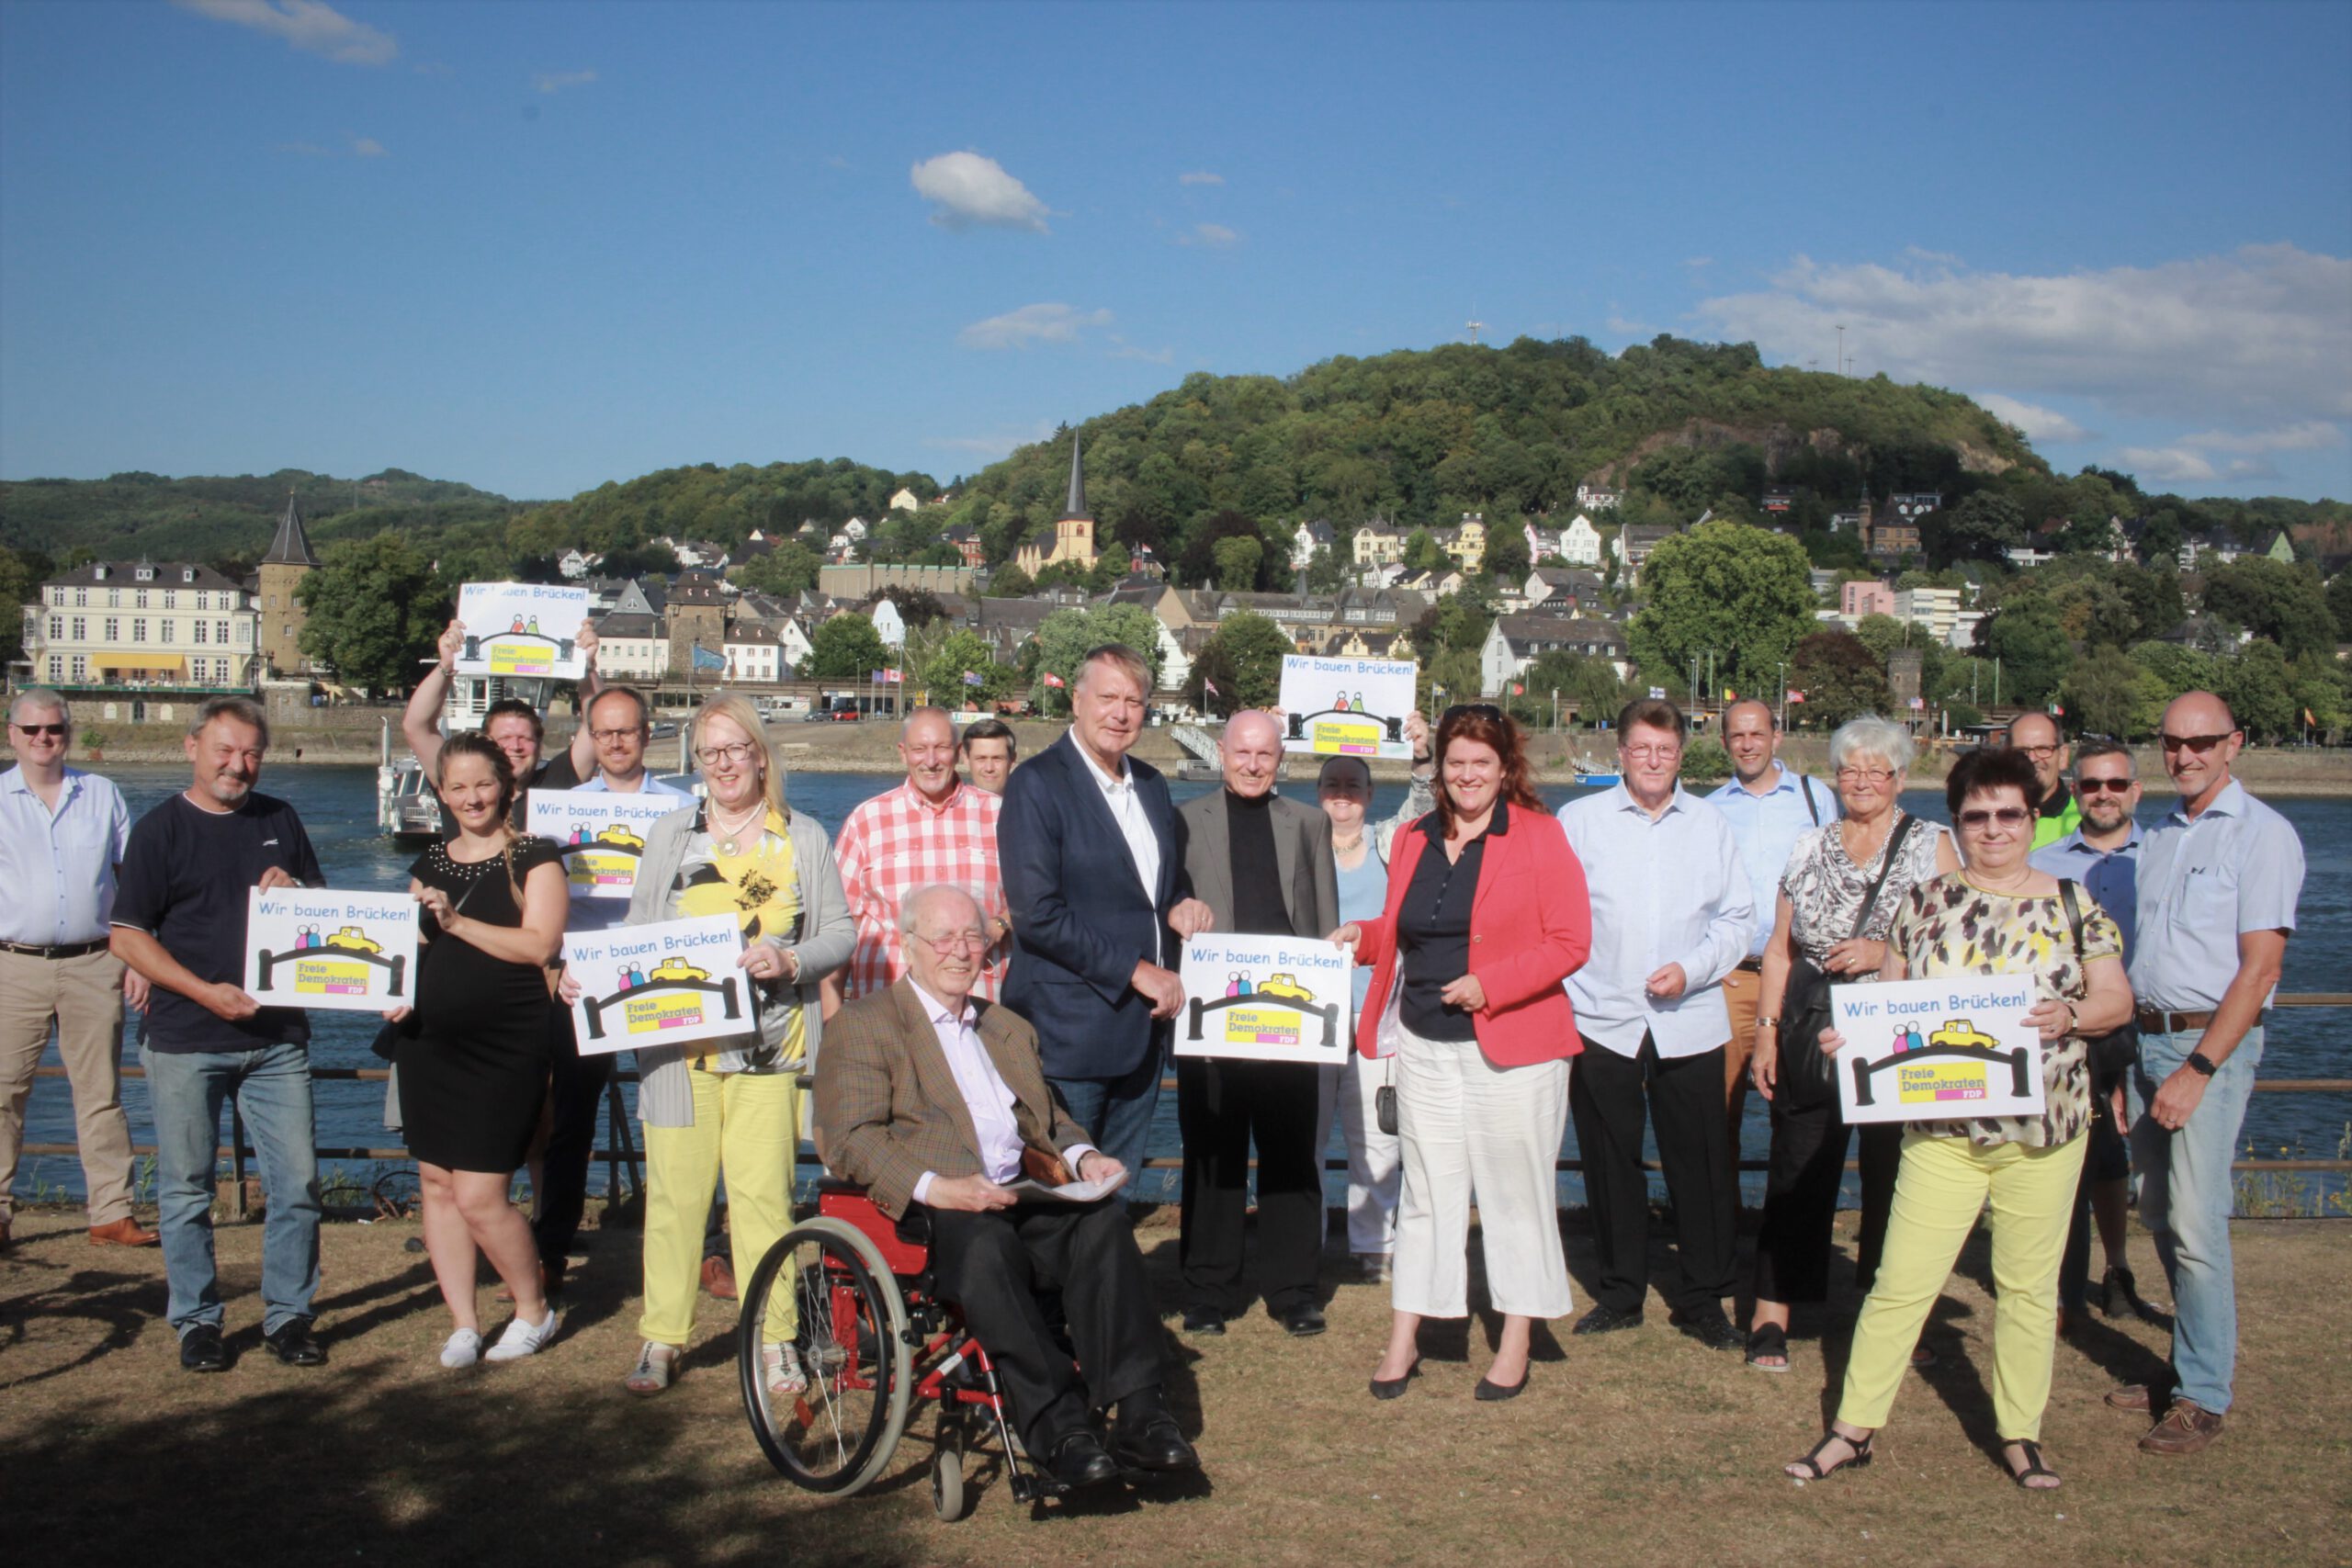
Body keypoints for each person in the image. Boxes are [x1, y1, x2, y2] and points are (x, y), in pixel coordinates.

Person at [1785, 747, 2132, 1491]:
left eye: (2009, 813)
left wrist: (2070, 1013)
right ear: (1959, 823)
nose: (1994, 828)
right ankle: (1853, 1427)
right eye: (1977, 815)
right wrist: (1855, 1037)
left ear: (2034, 819)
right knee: (1899, 1283)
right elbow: (1890, 1000)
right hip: (1943, 1135)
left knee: (2028, 1289)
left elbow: (2117, 1000)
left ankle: (2021, 1432)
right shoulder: (1922, 902)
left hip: (2043, 1134)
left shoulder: (2076, 902)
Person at [816, 884, 1200, 1493]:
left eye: (972, 936)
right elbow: (848, 1137)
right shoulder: (867, 1025)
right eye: (943, 937)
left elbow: (1046, 1116)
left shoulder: (1006, 1027)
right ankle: (1060, 1427)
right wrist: (936, 1187)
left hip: (1020, 1190)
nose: (960, 950)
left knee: (1102, 1222)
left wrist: (1086, 1155)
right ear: (908, 944)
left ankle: (1141, 1414)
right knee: (987, 1246)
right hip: (934, 1207)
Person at [567, 694, 854, 1395]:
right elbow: (637, 932)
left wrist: (791, 961)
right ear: (697, 762)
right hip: (678, 1055)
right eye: (710, 752)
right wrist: (591, 978)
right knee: (675, 1198)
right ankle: (662, 1338)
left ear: (760, 754)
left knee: (763, 1199)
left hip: (770, 1052)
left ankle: (776, 1336)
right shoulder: (669, 835)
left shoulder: (803, 837)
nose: (724, 763)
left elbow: (840, 932)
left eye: (735, 748)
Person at [1335, 705, 1590, 1401]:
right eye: (1456, 763)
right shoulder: (1415, 837)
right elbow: (1400, 927)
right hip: (1421, 1043)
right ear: (1440, 769)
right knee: (1424, 1194)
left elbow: (1571, 941)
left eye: (1482, 762)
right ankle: (1404, 1339)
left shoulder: (1541, 835)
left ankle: (1515, 1342)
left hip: (1516, 1049)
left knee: (1516, 1197)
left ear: (1505, 768)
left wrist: (1490, 986)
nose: (1468, 775)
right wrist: (1363, 935)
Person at [2107, 691, 2303, 1455]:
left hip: (2204, 1050)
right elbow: (2140, 961)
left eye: (2202, 741)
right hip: (2148, 1042)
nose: (2185, 754)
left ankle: (2204, 1394)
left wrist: (2197, 1067)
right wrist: (2132, 1064)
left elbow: (2260, 970)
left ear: (2235, 743)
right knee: (2158, 1211)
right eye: (2173, 742)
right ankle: (2183, 1368)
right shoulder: (2160, 835)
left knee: (2195, 1220)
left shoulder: (2264, 837)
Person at [109, 697, 327, 1372]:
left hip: (276, 1038)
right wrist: (204, 992)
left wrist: (295, 889)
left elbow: (325, 910)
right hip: (184, 1037)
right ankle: (197, 1321)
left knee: (297, 1183)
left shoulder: (280, 818)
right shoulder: (158, 831)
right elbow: (126, 934)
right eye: (226, 750)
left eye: (252, 753)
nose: (239, 765)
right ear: (192, 747)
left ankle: (289, 1316)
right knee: (185, 1190)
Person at [1745, 716, 1957, 1371]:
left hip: (1900, 1020)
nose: (1862, 781)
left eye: (1877, 770)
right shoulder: (1808, 845)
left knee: (1897, 1171)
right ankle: (1771, 1311)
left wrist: (1881, 948)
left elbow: (1953, 945)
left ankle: (1893, 1310)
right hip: (1812, 1015)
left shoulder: (1933, 845)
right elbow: (1779, 951)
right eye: (1850, 769)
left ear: (1900, 778)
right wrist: (1766, 1031)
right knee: (1796, 1161)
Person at [1556, 698, 1754, 1349]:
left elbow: (1736, 919)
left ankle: (1703, 1297)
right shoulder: (1578, 821)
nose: (1653, 760)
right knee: (1610, 1160)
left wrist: (1692, 969)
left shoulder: (1710, 824)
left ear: (1681, 755)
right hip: (1600, 1014)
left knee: (1699, 1160)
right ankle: (1621, 1291)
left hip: (1688, 1015)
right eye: (1641, 748)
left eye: (1665, 750)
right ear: (1620, 752)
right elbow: (1556, 915)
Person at [999, 645, 1211, 1196]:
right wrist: (1138, 970)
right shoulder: (1036, 785)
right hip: (1068, 1035)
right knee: (1063, 1199)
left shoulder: (1152, 784)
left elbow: (1153, 887)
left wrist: (1181, 902)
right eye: (1108, 697)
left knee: (1117, 1193)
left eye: (1134, 701)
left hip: (1139, 1034)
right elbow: (1036, 915)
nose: (1120, 713)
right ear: (1077, 699)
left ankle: (1105, 1285)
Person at [386, 731, 568, 1366]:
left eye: (483, 783)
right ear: (441, 792)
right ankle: (463, 1320)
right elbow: (404, 948)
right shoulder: (430, 861)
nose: (471, 797)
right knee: (436, 1182)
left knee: (481, 1193)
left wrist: (457, 922)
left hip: (506, 1046)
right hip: (427, 1043)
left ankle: (533, 1309)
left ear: (507, 787)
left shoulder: (536, 856)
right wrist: (394, 988)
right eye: (457, 786)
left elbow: (539, 944)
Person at [1171, 710, 1340, 1337]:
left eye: (1263, 754)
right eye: (1241, 752)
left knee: (1291, 1155)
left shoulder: (1310, 823)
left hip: (1288, 1018)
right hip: (1212, 1017)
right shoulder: (1183, 821)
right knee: (1212, 1157)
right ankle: (1209, 1291)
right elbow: (1166, 905)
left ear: (1280, 758)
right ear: (1221, 752)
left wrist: (1330, 1010)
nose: (1251, 764)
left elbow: (1324, 926)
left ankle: (1294, 1289)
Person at [531, 683, 693, 1296]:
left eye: (627, 731)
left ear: (648, 734)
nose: (617, 742)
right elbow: (542, 900)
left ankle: (696, 1244)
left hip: (661, 975)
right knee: (572, 1123)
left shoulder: (683, 809)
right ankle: (551, 1248)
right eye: (605, 732)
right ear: (590, 738)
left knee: (679, 1117)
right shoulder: (562, 809)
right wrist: (556, 962)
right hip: (582, 982)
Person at [0, 690, 157, 1253]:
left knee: (101, 1092)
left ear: (68, 732)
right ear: (11, 733)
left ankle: (111, 1212)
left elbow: (132, 884)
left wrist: (137, 955)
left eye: (54, 730)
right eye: (32, 730)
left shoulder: (102, 795)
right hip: (12, 965)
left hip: (95, 962)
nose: (44, 739)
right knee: (3, 1093)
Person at [2029, 739, 2154, 1331]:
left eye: (2116, 784)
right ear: (2074, 791)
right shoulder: (2048, 862)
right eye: (2092, 785)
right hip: (2071, 1026)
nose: (2104, 794)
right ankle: (2061, 1285)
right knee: (2067, 1149)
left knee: (2116, 1158)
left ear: (2136, 790)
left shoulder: (2161, 857)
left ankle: (2118, 1266)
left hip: (2142, 1022)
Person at [1310, 715, 1433, 1283]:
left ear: (1369, 794)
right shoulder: (1298, 844)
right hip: (1308, 1019)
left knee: (1375, 1142)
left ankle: (1373, 1248)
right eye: (1332, 785)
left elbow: (1427, 803)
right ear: (1318, 794)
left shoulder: (1391, 841)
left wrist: (1422, 753)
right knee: (1303, 1141)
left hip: (1375, 1018)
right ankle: (1304, 1243)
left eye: (1353, 786)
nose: (1342, 795)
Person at [1706, 698, 1836, 1166]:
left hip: (1799, 977)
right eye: (1738, 736)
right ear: (1724, 743)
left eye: (1757, 734)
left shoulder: (1813, 797)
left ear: (1776, 737)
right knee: (1720, 1110)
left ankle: (1784, 1222)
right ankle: (1723, 1221)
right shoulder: (1710, 809)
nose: (1748, 745)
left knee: (1798, 1103)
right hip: (1734, 978)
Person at [826, 707, 1008, 1014]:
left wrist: (1001, 923)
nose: (931, 760)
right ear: (903, 753)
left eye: (941, 748)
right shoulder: (866, 821)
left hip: (980, 1011)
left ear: (959, 752)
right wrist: (831, 1023)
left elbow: (1038, 901)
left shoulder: (1001, 816)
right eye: (920, 749)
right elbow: (836, 928)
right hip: (887, 1013)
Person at [401, 615, 603, 826]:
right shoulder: (461, 786)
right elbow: (416, 727)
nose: (515, 746)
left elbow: (597, 723)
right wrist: (447, 665)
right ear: (486, 743)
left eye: (524, 738)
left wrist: (586, 667)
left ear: (539, 743)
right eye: (504, 738)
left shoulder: (558, 780)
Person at [2008, 712, 2082, 851]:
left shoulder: (2086, 823)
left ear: (2062, 756)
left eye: (2043, 749)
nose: (2031, 758)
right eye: (2021, 751)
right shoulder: (1984, 820)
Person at [958, 716, 1018, 795]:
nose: (989, 768)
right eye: (981, 759)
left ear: (1012, 759)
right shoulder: (952, 806)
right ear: (966, 759)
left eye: (997, 759)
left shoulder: (1030, 805)